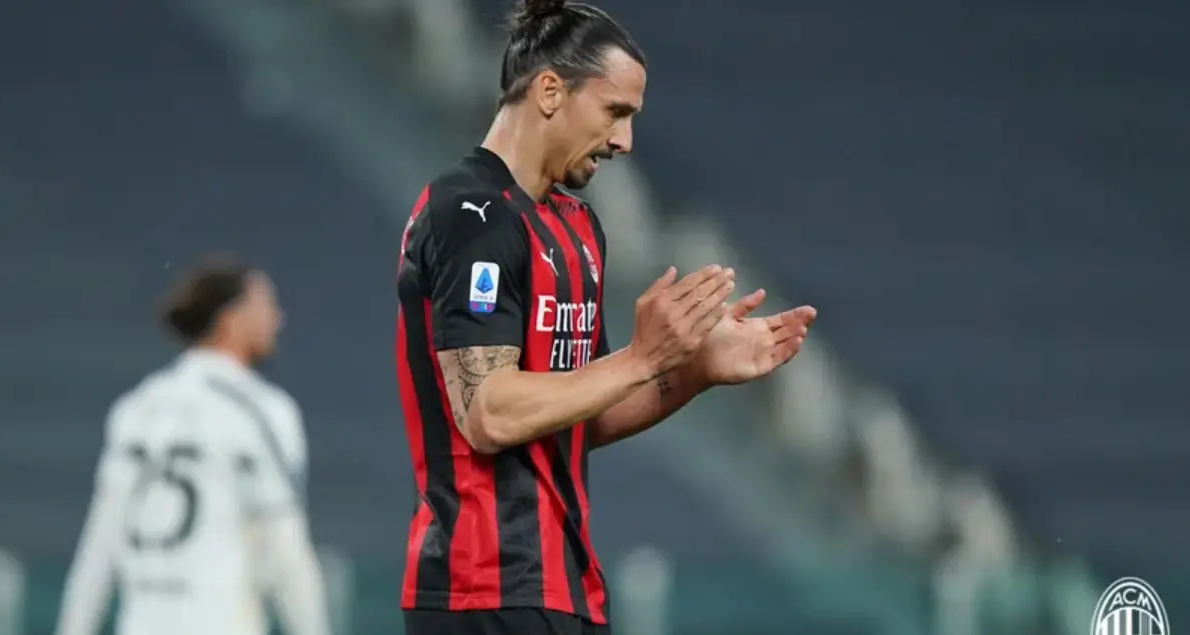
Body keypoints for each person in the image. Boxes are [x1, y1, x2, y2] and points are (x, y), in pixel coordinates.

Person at [394, 1, 818, 634]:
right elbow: (489, 413)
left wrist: (694, 369)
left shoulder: (577, 227)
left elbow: (583, 415)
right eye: (615, 112)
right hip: (480, 589)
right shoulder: (470, 214)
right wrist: (643, 357)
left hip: (566, 586)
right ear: (549, 92)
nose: (625, 141)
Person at [55, 255, 330, 635]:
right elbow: (287, 551)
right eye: (266, 306)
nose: (277, 319)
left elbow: (99, 548)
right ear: (231, 318)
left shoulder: (137, 409)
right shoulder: (263, 411)